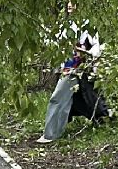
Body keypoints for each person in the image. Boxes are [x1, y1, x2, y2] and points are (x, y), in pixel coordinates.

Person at [39, 14, 105, 143]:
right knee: (76, 100)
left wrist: (85, 52)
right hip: (68, 69)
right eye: (69, 2)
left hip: (79, 70)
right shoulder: (66, 25)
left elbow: (97, 48)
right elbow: (55, 43)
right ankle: (103, 120)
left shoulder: (88, 27)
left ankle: (50, 134)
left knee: (58, 98)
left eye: (73, 3)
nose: (70, 5)